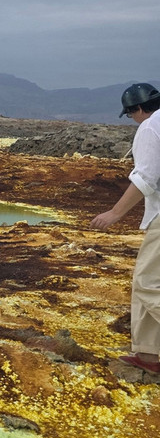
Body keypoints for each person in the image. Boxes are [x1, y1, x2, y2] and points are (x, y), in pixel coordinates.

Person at [91, 82, 160, 374]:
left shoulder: (149, 128)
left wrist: (115, 213)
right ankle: (149, 354)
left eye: (130, 114)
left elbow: (145, 178)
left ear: (138, 108)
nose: (132, 118)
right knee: (146, 282)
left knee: (147, 283)